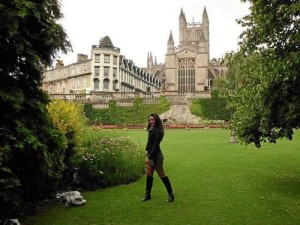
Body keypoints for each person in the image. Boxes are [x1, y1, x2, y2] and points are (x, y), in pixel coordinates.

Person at [142, 113, 175, 202]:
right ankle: (147, 194)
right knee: (149, 175)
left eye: (153, 120)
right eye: (150, 120)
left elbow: (156, 145)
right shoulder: (151, 129)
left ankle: (171, 194)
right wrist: (146, 151)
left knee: (162, 175)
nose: (151, 121)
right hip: (150, 154)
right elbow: (149, 143)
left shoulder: (158, 131)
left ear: (156, 120)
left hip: (156, 155)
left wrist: (150, 156)